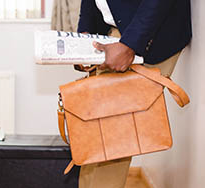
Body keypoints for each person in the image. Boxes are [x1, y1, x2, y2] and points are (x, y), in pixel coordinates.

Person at [77, 0, 192, 188]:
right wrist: (83, 37)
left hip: (148, 35)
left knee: (113, 138)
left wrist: (130, 44)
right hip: (115, 33)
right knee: (95, 134)